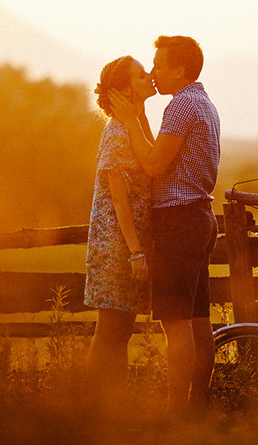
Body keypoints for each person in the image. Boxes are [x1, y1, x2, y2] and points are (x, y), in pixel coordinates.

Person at [105, 35, 221, 410]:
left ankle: (175, 415)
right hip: (201, 217)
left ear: (179, 69)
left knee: (176, 324)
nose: (153, 72)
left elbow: (153, 165)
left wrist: (128, 120)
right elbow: (159, 152)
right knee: (199, 321)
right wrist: (138, 117)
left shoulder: (180, 106)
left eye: (158, 65)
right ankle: (195, 410)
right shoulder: (202, 102)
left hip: (179, 222)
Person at [84, 56, 156, 381]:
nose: (150, 77)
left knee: (122, 332)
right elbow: (118, 198)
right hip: (117, 248)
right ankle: (96, 402)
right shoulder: (115, 133)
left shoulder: (135, 125)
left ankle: (115, 402)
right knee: (111, 330)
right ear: (126, 89)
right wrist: (136, 251)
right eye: (141, 76)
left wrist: (139, 115)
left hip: (129, 245)